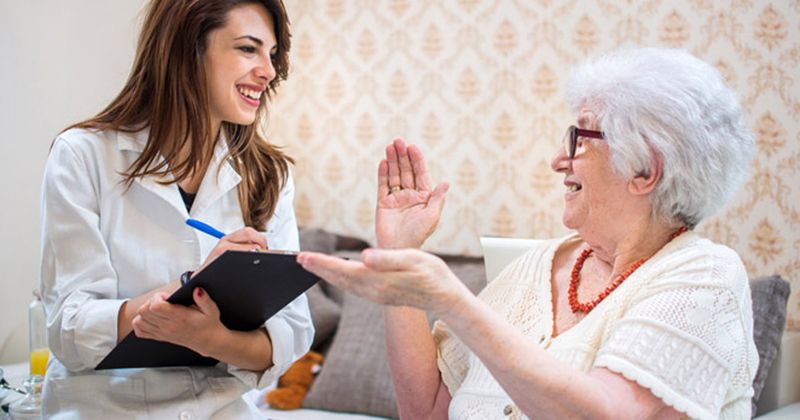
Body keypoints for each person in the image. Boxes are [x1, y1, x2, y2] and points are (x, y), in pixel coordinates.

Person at [298, 48, 758, 419]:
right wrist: (400, 253)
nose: (560, 160)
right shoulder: (535, 269)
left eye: (579, 139)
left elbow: (609, 414)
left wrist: (451, 300)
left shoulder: (705, 278)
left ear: (644, 169)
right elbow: (426, 411)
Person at [40, 0, 312, 418]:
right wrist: (190, 289)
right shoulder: (83, 156)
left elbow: (290, 335)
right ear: (188, 50)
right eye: (247, 49)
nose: (269, 70)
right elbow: (69, 330)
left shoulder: (269, 176)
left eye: (272, 54)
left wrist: (211, 337)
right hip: (104, 407)